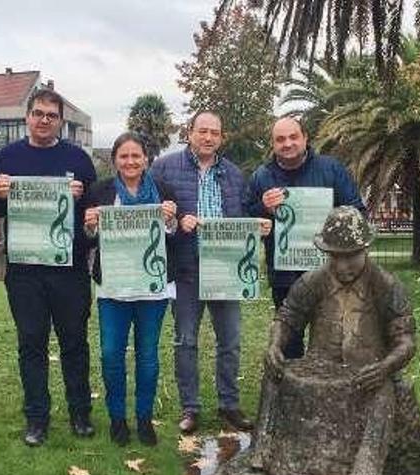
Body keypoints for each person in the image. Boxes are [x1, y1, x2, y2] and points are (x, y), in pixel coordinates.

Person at [255, 206, 415, 475]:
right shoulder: (312, 281)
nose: (342, 266)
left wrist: (385, 367)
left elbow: (406, 341)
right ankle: (260, 462)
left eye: (350, 256)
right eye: (335, 256)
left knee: (382, 395)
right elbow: (286, 317)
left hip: (367, 370)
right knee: (272, 377)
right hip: (319, 364)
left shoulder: (386, 286)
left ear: (365, 249)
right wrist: (275, 345)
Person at [0, 88, 97, 446]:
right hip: (24, 271)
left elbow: (93, 218)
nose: (44, 120)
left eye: (51, 115)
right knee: (31, 344)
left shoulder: (79, 159)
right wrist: (0, 195)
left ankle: (80, 414)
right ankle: (36, 419)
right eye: (38, 113)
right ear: (27, 118)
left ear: (61, 122)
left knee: (74, 343)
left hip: (69, 270)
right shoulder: (7, 157)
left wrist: (82, 201)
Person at [150, 111, 268, 434]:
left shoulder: (232, 173)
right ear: (190, 133)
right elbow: (150, 212)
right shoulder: (165, 167)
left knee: (229, 340)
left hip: (227, 269)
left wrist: (256, 224)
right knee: (185, 340)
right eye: (202, 131)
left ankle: (229, 405)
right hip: (186, 268)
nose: (208, 137)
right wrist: (177, 219)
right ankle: (190, 407)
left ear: (221, 137)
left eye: (214, 132)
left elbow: (242, 213)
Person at [83, 132, 177, 446]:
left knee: (148, 355)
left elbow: (174, 237)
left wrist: (171, 219)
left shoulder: (163, 190)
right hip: (113, 288)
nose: (130, 161)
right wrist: (91, 224)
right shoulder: (101, 190)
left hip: (152, 289)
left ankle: (144, 418)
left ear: (146, 159)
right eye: (124, 156)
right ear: (115, 161)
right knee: (111, 354)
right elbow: (88, 238)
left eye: (136, 155)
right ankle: (118, 418)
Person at [245, 117, 366, 359]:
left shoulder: (331, 169)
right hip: (284, 275)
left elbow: (357, 211)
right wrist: (263, 208)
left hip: (330, 272)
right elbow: (246, 219)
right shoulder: (261, 177)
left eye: (293, 137)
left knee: (332, 336)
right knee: (289, 338)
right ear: (273, 144)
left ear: (305, 138)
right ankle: (292, 391)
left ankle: (330, 391)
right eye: (280, 139)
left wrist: (336, 224)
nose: (287, 143)